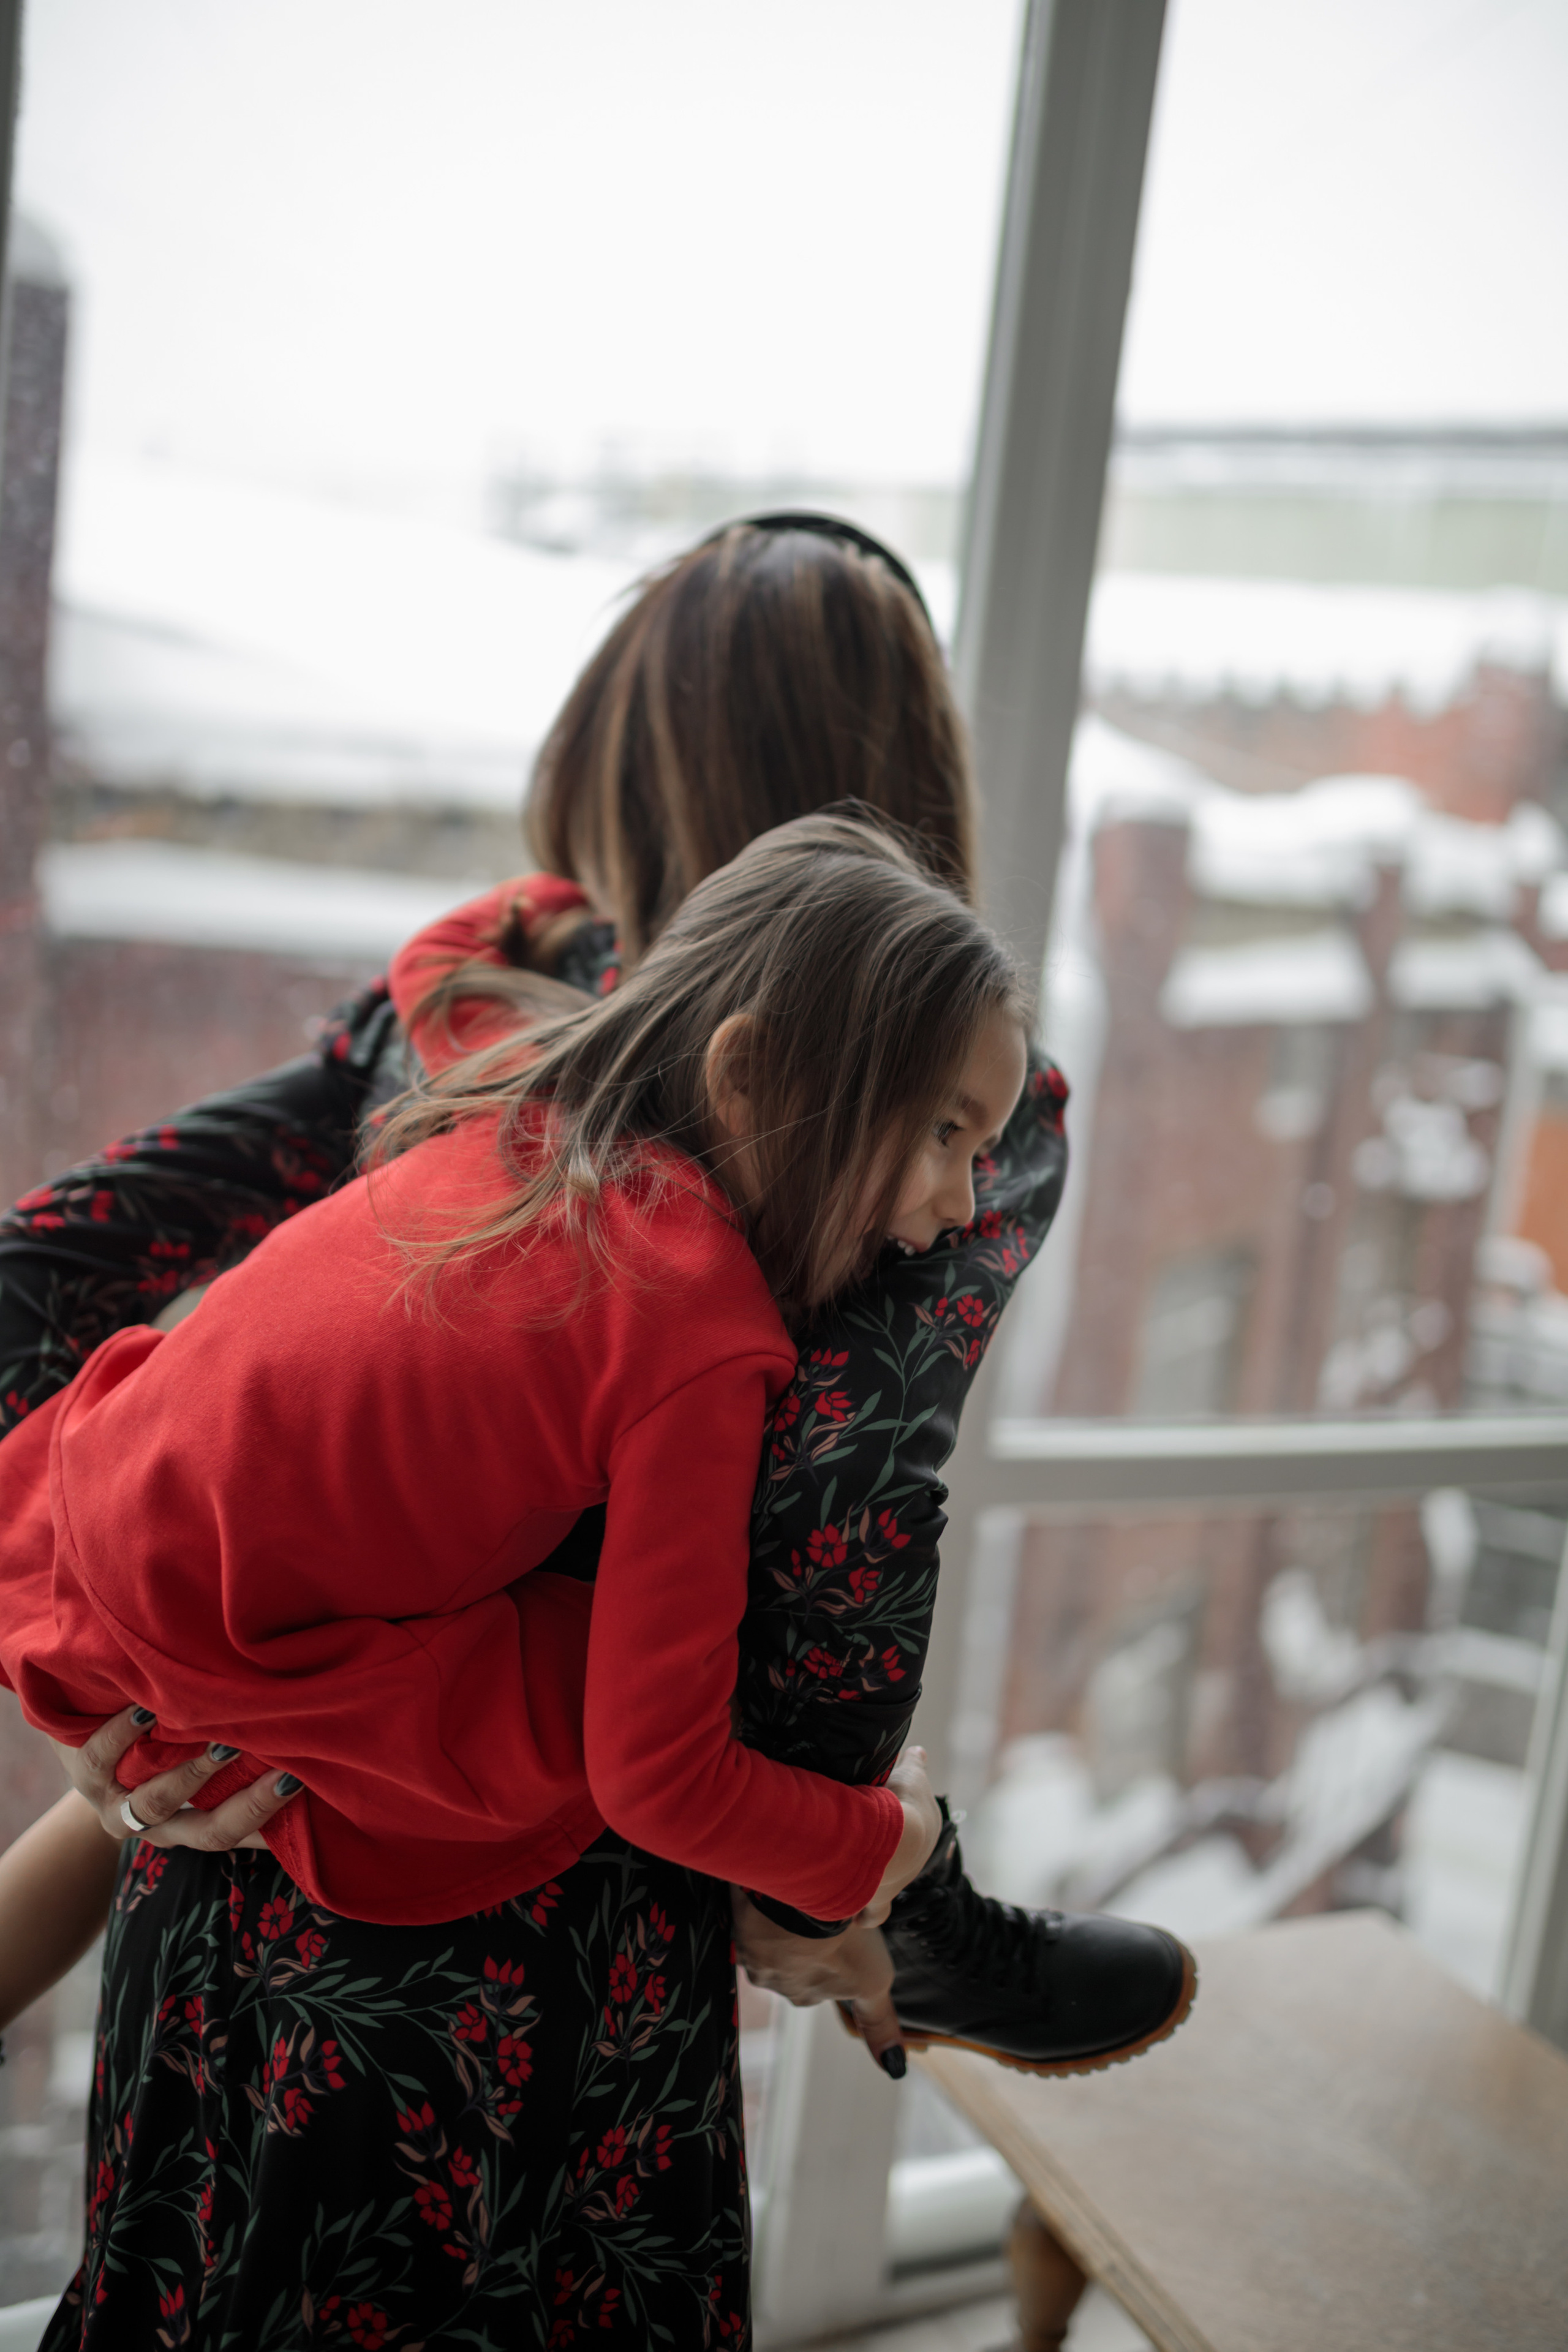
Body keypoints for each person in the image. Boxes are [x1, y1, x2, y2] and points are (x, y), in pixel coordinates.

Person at [0, 520, 1191, 2346]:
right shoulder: (959, 1109)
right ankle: (927, 1927)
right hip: (555, 1979)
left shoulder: (455, 1033)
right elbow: (831, 1615)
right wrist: (862, 1891)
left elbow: (29, 1286)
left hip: (236, 1926)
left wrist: (121, 1687)